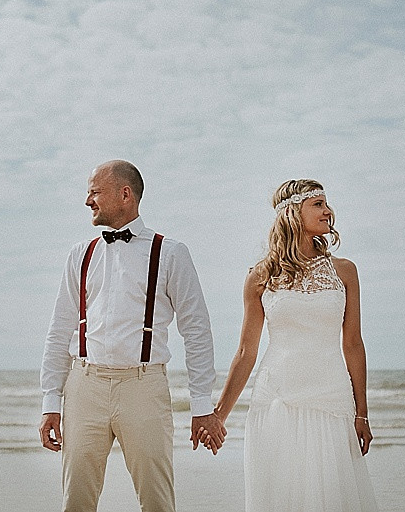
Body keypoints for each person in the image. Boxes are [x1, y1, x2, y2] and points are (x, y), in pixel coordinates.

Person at [39, 160, 224, 512]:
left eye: (94, 192)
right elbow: (59, 330)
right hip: (84, 387)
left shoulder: (170, 253)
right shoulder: (80, 254)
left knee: (156, 500)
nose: (87, 201)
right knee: (76, 500)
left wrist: (202, 406)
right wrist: (51, 401)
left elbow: (197, 331)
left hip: (143, 387)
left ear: (125, 194)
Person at [210, 179, 378, 512]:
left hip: (331, 400)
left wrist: (362, 414)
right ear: (291, 212)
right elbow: (246, 352)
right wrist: (219, 416)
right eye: (318, 204)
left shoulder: (345, 272)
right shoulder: (260, 276)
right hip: (276, 400)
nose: (328, 211)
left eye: (327, 204)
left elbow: (353, 344)